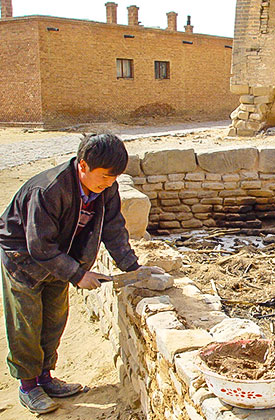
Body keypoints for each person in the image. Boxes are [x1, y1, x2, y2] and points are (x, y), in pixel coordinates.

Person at [0, 134, 162, 414]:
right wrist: (77, 274)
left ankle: (45, 378)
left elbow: (113, 227)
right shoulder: (48, 190)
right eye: (105, 177)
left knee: (54, 318)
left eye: (114, 179)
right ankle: (28, 386)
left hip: (60, 256)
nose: (109, 184)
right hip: (23, 258)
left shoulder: (104, 187)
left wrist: (133, 268)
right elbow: (38, 245)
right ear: (83, 166)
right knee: (26, 322)